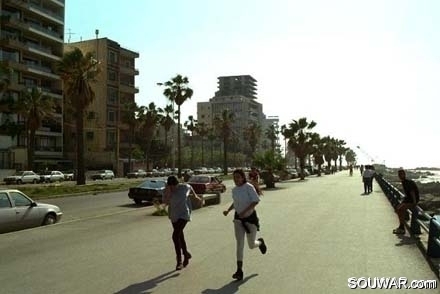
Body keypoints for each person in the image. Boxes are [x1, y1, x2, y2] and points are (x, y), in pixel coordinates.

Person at [223, 169, 267, 281]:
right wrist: (228, 210)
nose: (235, 179)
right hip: (238, 219)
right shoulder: (234, 190)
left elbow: (255, 201)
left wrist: (244, 212)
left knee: (251, 245)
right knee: (239, 244)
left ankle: (260, 242)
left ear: (243, 177)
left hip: (250, 219)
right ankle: (239, 270)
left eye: (238, 177)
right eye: (234, 177)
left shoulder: (248, 187)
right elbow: (236, 202)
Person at [163, 175, 203, 270]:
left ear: (178, 184)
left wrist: (196, 196)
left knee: (175, 236)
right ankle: (186, 254)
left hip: (184, 214)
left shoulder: (184, 187)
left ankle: (179, 261)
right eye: (171, 186)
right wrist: (168, 192)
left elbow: (190, 187)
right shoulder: (166, 190)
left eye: (174, 186)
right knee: (180, 235)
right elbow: (166, 202)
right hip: (174, 215)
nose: (173, 188)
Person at [393, 169, 420, 234]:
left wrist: (414, 203)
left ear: (404, 174)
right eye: (399, 174)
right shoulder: (404, 182)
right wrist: (403, 201)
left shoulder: (407, 182)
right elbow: (408, 194)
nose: (400, 176)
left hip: (412, 200)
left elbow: (412, 192)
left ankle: (402, 228)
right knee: (397, 209)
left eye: (402, 174)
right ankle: (401, 225)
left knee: (400, 209)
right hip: (408, 199)